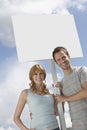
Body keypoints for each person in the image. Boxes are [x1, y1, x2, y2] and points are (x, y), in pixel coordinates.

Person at [13, 64, 60, 130]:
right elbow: (16, 118)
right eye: (35, 74)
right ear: (31, 76)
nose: (38, 76)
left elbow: (57, 113)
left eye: (41, 73)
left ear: (44, 75)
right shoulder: (25, 93)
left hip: (55, 127)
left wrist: (60, 93)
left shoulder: (51, 93)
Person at [52, 46, 87, 130]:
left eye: (63, 57)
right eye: (58, 60)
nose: (62, 61)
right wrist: (57, 94)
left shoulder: (81, 70)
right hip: (77, 125)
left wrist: (65, 98)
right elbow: (60, 111)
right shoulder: (62, 84)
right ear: (56, 63)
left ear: (68, 56)